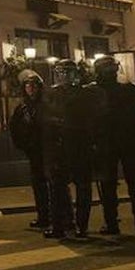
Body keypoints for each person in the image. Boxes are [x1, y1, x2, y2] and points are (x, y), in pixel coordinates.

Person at [42, 59, 106, 240]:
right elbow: (45, 120)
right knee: (58, 188)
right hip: (61, 146)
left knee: (81, 186)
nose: (64, 76)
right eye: (61, 72)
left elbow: (94, 120)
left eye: (67, 72)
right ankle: (60, 225)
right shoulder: (52, 94)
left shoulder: (85, 94)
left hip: (78, 145)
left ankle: (80, 226)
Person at [94, 57, 135, 236]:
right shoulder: (130, 90)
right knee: (133, 183)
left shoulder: (95, 92)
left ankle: (112, 223)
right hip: (127, 143)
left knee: (109, 185)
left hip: (108, 144)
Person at [9, 70, 50, 229]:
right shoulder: (23, 108)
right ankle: (43, 215)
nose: (31, 89)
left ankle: (57, 215)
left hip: (47, 149)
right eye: (27, 86)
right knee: (38, 184)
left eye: (33, 86)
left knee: (52, 184)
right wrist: (23, 143)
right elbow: (14, 127)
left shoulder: (46, 105)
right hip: (33, 150)